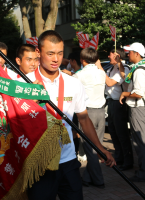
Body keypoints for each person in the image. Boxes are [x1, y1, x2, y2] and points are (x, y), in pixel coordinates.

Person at [19, 30, 115, 199]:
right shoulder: (23, 84)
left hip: (68, 161)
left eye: (60, 53)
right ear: (38, 53)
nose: (56, 59)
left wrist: (100, 148)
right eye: (50, 54)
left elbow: (84, 119)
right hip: (40, 163)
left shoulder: (73, 83)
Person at [72, 47, 106, 189]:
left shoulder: (79, 75)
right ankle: (87, 178)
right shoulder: (102, 73)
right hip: (101, 112)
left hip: (87, 114)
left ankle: (98, 180)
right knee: (97, 144)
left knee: (90, 148)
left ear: (82, 60)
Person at [97, 48, 133, 171]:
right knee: (113, 132)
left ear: (117, 56)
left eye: (111, 55)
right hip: (111, 102)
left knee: (121, 133)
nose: (108, 56)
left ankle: (128, 161)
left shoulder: (124, 68)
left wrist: (100, 68)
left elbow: (110, 82)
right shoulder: (112, 68)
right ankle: (119, 158)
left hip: (119, 103)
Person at [120, 42, 145, 182]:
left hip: (138, 108)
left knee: (140, 142)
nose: (127, 54)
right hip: (141, 108)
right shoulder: (140, 67)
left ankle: (143, 172)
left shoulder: (139, 70)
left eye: (129, 52)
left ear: (137, 53)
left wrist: (125, 93)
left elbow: (139, 93)